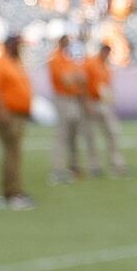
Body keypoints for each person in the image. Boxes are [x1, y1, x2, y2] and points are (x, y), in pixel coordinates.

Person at [0, 37, 34, 210]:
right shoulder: (0, 63)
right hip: (9, 114)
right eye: (18, 45)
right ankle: (12, 193)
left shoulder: (15, 63)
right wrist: (1, 110)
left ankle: (11, 191)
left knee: (14, 153)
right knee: (12, 153)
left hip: (18, 113)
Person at [46, 35, 95, 184]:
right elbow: (67, 80)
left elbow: (82, 79)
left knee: (73, 134)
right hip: (63, 98)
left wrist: (77, 78)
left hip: (74, 99)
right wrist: (76, 77)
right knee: (62, 133)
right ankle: (58, 169)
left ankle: (73, 165)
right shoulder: (55, 59)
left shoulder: (67, 59)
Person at [81, 42, 128, 177]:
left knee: (112, 132)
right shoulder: (90, 63)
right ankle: (94, 166)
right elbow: (84, 84)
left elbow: (106, 86)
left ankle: (116, 163)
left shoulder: (106, 67)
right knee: (91, 136)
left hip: (103, 102)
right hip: (92, 101)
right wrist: (86, 102)